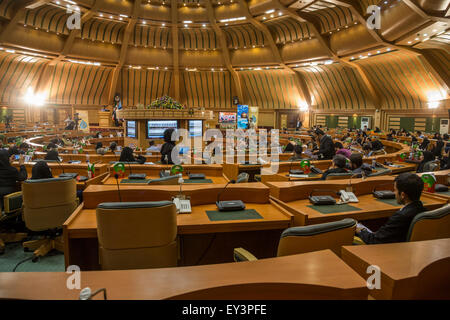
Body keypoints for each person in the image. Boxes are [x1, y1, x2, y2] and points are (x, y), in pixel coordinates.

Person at [356, 173, 425, 244]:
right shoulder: (423, 210)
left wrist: (361, 231)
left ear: (402, 195)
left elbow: (374, 241)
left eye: (395, 190)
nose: (394, 193)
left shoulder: (400, 217)